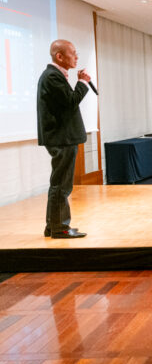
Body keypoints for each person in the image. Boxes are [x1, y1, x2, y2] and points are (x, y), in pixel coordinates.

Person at [37, 39, 91, 239]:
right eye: (73, 53)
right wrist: (83, 83)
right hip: (61, 138)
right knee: (61, 185)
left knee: (59, 183)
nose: (76, 57)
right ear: (59, 56)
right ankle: (59, 227)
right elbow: (71, 101)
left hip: (62, 137)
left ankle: (53, 226)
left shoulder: (54, 75)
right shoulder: (52, 76)